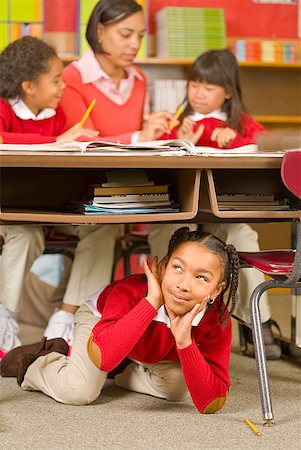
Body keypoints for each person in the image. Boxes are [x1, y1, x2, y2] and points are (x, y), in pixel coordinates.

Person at [0, 227, 240, 414]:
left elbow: (211, 402)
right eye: (177, 268)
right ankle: (37, 362)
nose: (184, 285)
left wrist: (185, 342)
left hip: (138, 350)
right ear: (164, 267)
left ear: (216, 291)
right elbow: (102, 358)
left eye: (201, 277)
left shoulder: (217, 318)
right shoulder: (131, 293)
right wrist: (151, 302)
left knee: (178, 388)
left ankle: (123, 369)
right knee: (80, 390)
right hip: (100, 325)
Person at [154, 49, 281, 360]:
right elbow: (155, 154)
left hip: (221, 212)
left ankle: (257, 323)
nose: (198, 93)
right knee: (164, 235)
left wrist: (232, 139)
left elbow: (265, 147)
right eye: (194, 84)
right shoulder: (179, 121)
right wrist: (174, 137)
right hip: (180, 210)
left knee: (243, 238)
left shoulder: (241, 123)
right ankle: (158, 317)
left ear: (227, 92)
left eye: (208, 87)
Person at [0, 36, 119, 357]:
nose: (62, 87)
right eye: (55, 81)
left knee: (105, 228)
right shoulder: (3, 110)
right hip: (13, 215)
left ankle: (66, 316)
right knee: (24, 236)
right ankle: (5, 317)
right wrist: (54, 142)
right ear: (28, 86)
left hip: (57, 209)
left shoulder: (55, 115)